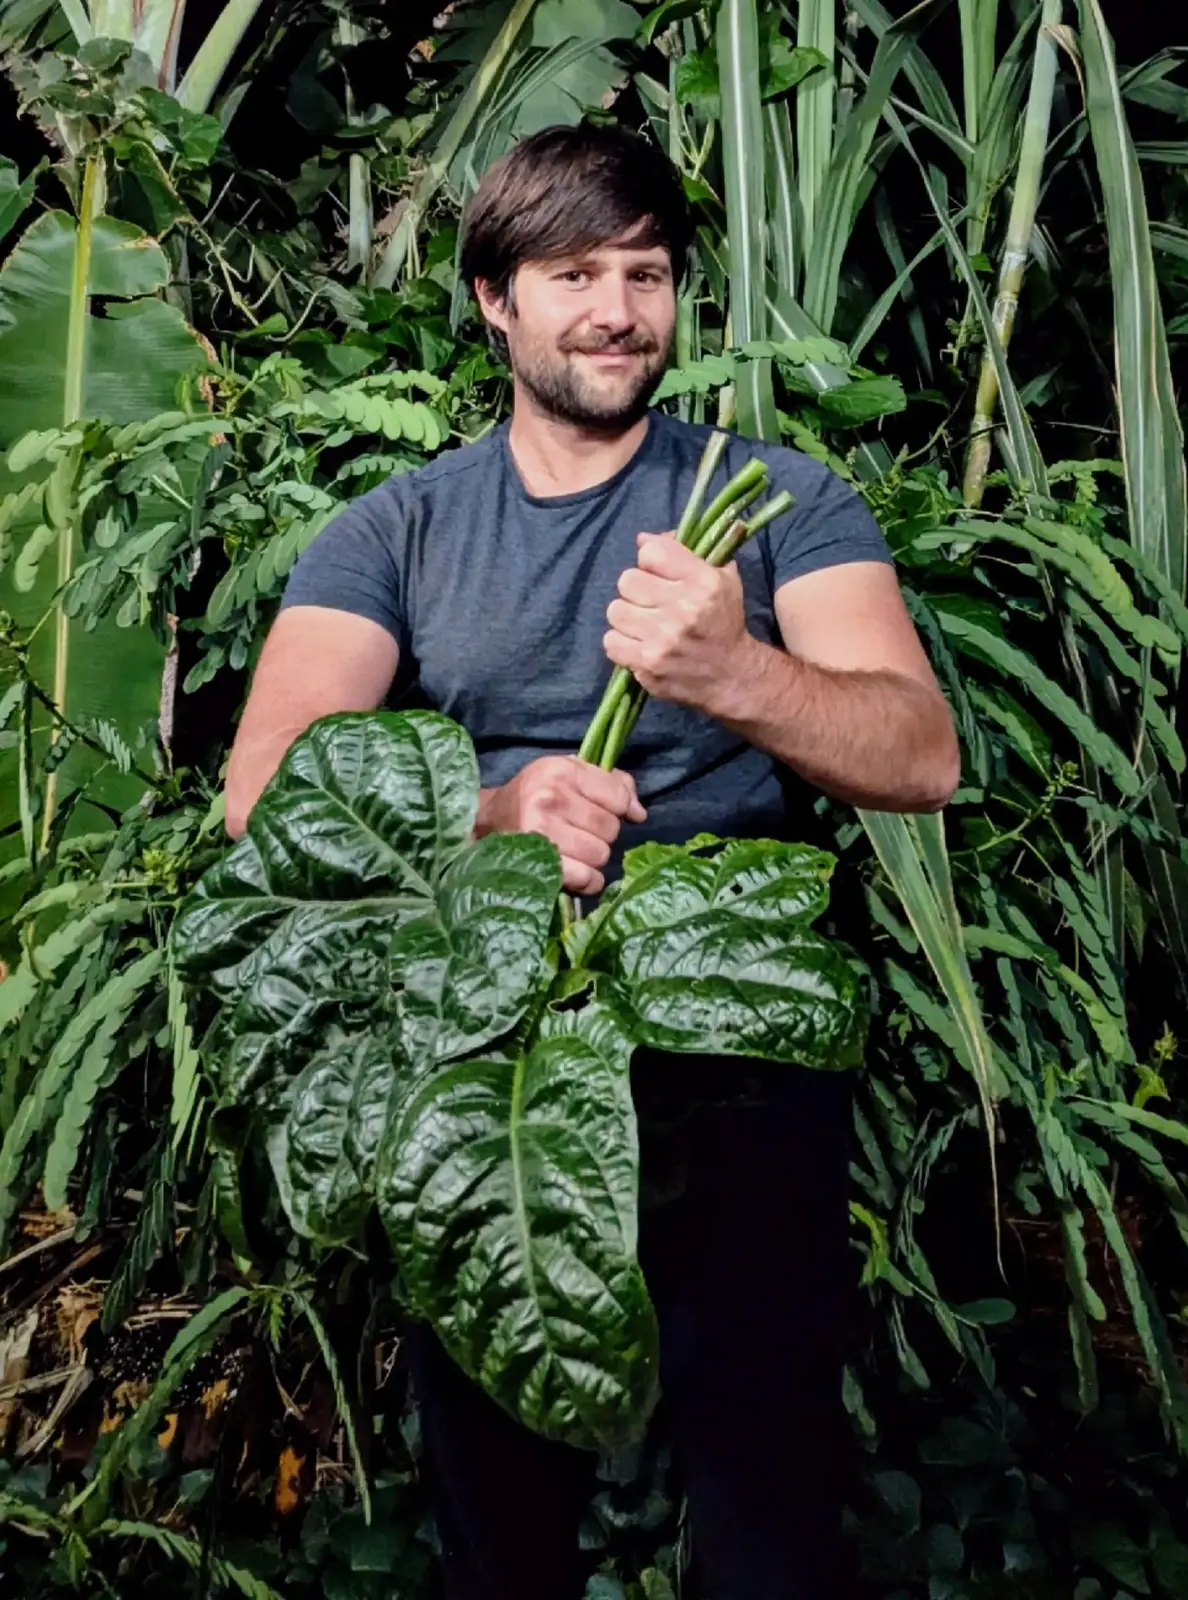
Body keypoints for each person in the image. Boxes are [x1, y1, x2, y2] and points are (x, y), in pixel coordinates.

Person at [224, 123, 959, 1600]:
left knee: (764, 1493)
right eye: (573, 274)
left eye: (648, 272)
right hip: (493, 1046)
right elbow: (264, 790)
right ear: (496, 301)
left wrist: (732, 670)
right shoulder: (401, 527)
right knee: (500, 1508)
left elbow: (918, 758)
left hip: (728, 1032)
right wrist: (497, 817)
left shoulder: (777, 500)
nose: (619, 309)